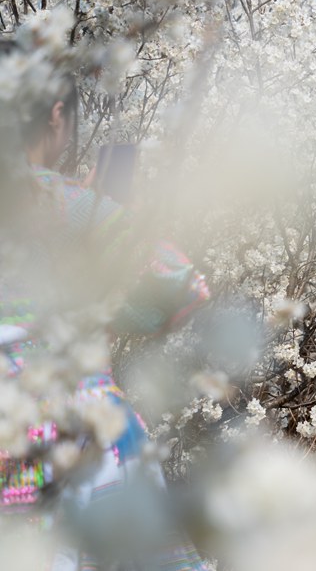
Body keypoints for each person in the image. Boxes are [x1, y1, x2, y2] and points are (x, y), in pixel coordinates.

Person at [0, 38, 211, 570]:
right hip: (80, 442)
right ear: (54, 115)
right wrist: (111, 214)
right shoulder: (71, 208)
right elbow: (180, 288)